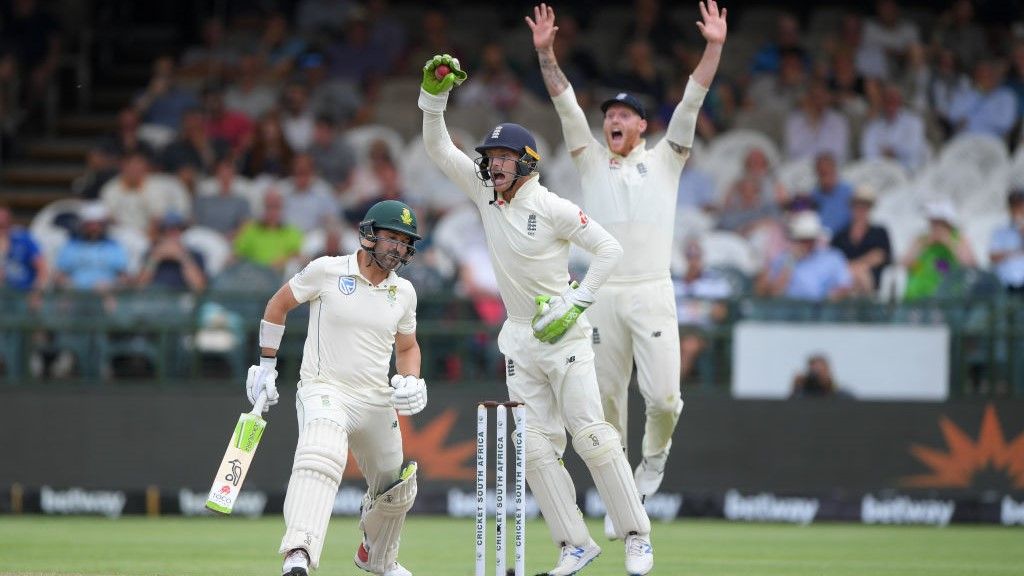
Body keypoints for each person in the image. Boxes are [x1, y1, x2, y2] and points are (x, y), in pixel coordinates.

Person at [418, 52, 654, 575]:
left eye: (503, 156)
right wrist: (434, 97)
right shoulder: (485, 196)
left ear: (527, 160)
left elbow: (609, 249)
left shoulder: (552, 207)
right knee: (534, 450)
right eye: (489, 156)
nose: (492, 164)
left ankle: (636, 536)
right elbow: (438, 146)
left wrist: (578, 300)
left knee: (592, 435)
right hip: (520, 339)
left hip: (566, 337)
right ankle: (574, 544)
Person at [527, 1, 726, 519]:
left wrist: (715, 46)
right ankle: (622, 499)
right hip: (601, 293)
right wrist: (547, 52)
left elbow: (693, 99)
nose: (612, 120)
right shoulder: (590, 159)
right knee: (607, 406)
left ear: (642, 125)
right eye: (609, 115)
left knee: (663, 400)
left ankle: (653, 463)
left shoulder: (667, 159)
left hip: (652, 290)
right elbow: (566, 103)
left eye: (623, 115)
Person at [244, 199, 426, 576]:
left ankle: (377, 558)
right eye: (391, 237)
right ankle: (299, 552)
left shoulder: (404, 292)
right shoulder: (327, 270)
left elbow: (407, 347)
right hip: (325, 388)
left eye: (404, 241)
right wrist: (265, 365)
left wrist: (410, 378)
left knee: (395, 486)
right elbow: (277, 306)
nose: (397, 247)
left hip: (375, 398)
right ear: (369, 235)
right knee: (321, 455)